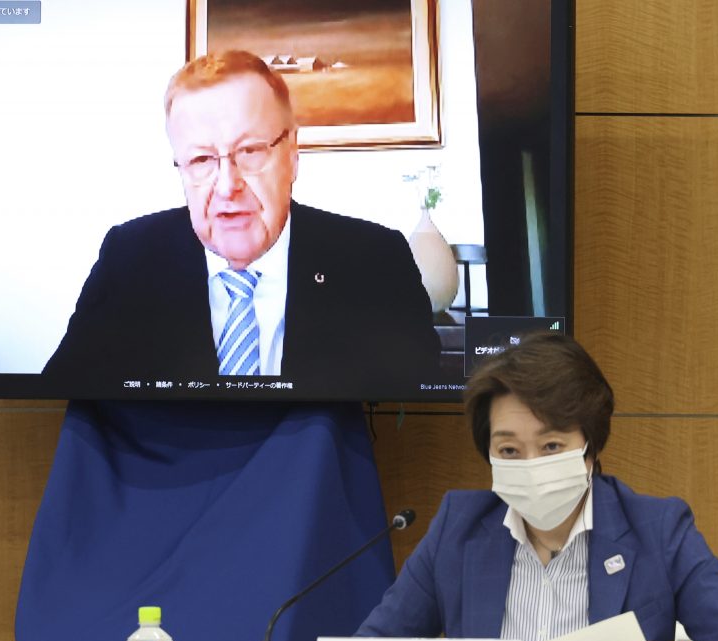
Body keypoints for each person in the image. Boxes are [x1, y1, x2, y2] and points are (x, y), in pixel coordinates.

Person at [356, 332, 718, 641]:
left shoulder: (657, 528)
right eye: (509, 450)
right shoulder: (459, 527)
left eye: (551, 447)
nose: (530, 465)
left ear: (590, 448)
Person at [43, 50, 440, 395]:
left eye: (249, 151)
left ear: (292, 155)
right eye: (201, 160)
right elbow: (55, 409)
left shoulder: (374, 262)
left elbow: (418, 428)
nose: (227, 186)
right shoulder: (129, 260)